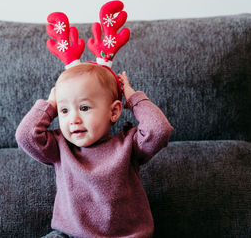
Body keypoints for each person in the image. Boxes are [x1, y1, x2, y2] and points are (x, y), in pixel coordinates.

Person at [15, 63, 173, 238]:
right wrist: (50, 105)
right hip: (69, 235)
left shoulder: (130, 145)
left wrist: (133, 99)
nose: (73, 119)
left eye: (84, 108)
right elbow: (25, 136)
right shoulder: (59, 146)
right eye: (64, 110)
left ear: (114, 111)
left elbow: (159, 130)